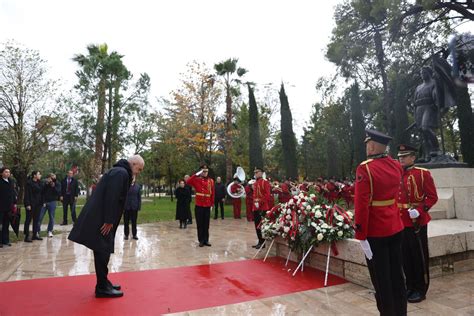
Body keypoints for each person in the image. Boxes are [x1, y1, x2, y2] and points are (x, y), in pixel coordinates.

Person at [68, 155, 144, 298]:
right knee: (102, 251)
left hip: (101, 217)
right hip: (103, 219)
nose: (138, 172)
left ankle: (104, 282)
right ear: (133, 164)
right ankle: (102, 288)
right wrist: (109, 220)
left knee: (103, 250)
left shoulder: (118, 171)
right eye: (138, 169)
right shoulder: (121, 173)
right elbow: (112, 196)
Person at [354, 129, 406, 316]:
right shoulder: (396, 165)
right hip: (396, 226)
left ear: (373, 145)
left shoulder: (365, 168)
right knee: (397, 277)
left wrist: (360, 234)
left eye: (368, 144)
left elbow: (361, 205)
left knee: (382, 281)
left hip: (376, 232)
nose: (367, 148)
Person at [397, 144, 438, 303]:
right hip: (400, 222)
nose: (401, 159)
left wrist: (420, 210)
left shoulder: (423, 174)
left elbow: (432, 197)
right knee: (405, 256)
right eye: (400, 156)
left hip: (416, 222)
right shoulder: (396, 174)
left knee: (418, 256)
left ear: (413, 157)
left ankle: (421, 288)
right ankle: (410, 286)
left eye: (404, 156)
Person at [186, 164, 214, 247]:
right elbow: (188, 182)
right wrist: (196, 174)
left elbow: (213, 193)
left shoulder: (211, 181)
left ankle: (206, 240)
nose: (205, 173)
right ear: (201, 172)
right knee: (200, 224)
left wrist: (212, 204)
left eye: (206, 171)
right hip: (199, 205)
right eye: (203, 171)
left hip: (207, 204)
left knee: (206, 224)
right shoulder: (196, 180)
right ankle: (201, 240)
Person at [252, 167, 271, 249]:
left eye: (257, 172)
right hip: (256, 207)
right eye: (255, 172)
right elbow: (254, 195)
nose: (255, 174)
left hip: (262, 207)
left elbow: (267, 195)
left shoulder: (265, 182)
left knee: (261, 225)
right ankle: (260, 241)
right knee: (257, 225)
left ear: (261, 173)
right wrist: (254, 204)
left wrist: (259, 203)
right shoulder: (255, 183)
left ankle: (263, 242)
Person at [38, 173, 61, 238]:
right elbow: (42, 192)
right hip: (44, 202)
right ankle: (37, 231)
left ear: (55, 177)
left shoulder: (57, 183)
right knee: (40, 217)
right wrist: (46, 184)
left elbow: (58, 192)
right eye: (51, 177)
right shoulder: (45, 183)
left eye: (53, 176)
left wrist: (53, 186)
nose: (52, 178)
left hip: (52, 202)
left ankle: (49, 231)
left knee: (51, 217)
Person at [24, 170, 43, 242]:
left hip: (38, 204)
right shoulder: (29, 183)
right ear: (34, 175)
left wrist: (42, 202)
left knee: (36, 220)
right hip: (31, 204)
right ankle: (26, 236)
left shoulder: (40, 183)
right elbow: (27, 194)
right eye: (39, 174)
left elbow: (42, 192)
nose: (40, 175)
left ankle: (35, 235)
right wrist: (27, 204)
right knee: (28, 220)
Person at [0, 167, 16, 247]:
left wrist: (14, 203)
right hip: (1, 207)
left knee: (6, 224)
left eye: (8, 172)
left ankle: (5, 240)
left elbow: (13, 193)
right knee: (0, 224)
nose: (7, 173)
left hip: (9, 207)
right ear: (1, 173)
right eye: (6, 172)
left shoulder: (11, 181)